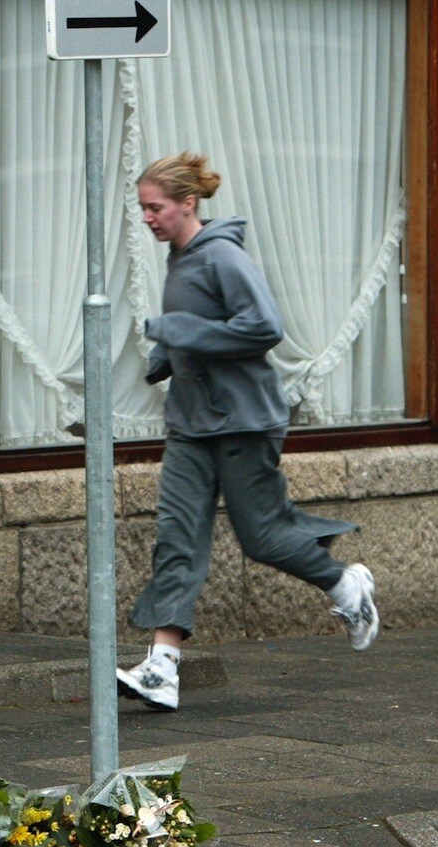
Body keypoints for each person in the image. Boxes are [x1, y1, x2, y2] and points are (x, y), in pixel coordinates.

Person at [115, 152, 380, 713]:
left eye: (155, 207)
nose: (147, 217)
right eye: (143, 208)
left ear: (188, 203)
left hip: (244, 421)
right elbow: (205, 326)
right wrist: (167, 354)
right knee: (176, 537)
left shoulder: (223, 256)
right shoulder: (180, 257)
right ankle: (162, 666)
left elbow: (263, 327)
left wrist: (178, 330)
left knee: (263, 538)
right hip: (191, 424)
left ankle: (345, 585)